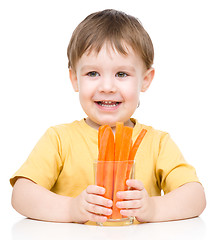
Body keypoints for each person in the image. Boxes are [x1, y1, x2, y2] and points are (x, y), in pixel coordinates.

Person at [10, 9, 206, 224]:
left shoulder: (157, 143)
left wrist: (154, 208)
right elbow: (21, 194)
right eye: (92, 73)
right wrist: (71, 208)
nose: (107, 87)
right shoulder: (59, 139)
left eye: (121, 74)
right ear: (74, 79)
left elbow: (196, 196)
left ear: (146, 80)